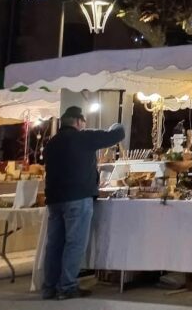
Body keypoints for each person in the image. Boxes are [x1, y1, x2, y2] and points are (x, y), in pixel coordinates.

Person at [42, 107, 125, 300]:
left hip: (54, 199)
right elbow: (117, 134)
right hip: (78, 198)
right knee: (74, 244)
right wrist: (117, 123)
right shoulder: (83, 137)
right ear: (79, 121)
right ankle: (68, 287)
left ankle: (49, 287)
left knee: (54, 244)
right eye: (84, 121)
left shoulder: (52, 143)